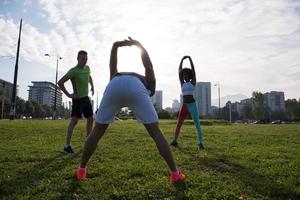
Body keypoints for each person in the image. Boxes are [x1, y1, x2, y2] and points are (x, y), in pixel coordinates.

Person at [76, 37, 185, 183]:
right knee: (155, 132)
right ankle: (175, 173)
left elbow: (112, 65)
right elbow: (148, 66)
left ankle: (81, 169)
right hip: (136, 87)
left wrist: (116, 45)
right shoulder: (149, 82)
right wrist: (140, 46)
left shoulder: (116, 75)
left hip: (115, 83)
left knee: (97, 131)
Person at [58, 50, 94, 153]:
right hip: (77, 99)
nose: (85, 61)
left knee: (90, 118)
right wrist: (69, 95)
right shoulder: (73, 71)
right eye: (83, 59)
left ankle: (88, 141)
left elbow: (89, 76)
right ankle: (67, 146)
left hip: (86, 98)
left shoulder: (87, 68)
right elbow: (60, 82)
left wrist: (92, 86)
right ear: (77, 59)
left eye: (86, 59)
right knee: (74, 122)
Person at [170, 56, 204, 149]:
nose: (184, 76)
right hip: (184, 106)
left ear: (189, 75)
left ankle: (200, 143)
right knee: (179, 124)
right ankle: (175, 141)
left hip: (192, 105)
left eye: (186, 74)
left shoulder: (193, 82)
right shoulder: (182, 83)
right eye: (183, 75)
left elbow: (193, 70)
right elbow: (179, 71)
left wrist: (189, 59)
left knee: (197, 124)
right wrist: (181, 60)